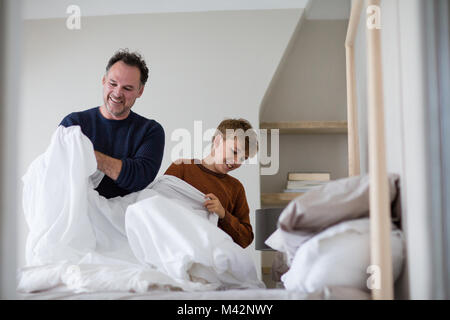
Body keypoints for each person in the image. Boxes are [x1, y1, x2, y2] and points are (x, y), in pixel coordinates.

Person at [60, 49, 165, 198]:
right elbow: (58, 173)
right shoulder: (73, 124)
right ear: (103, 80)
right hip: (79, 215)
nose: (117, 93)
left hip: (126, 218)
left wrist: (87, 154)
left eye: (127, 88)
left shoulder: (150, 131)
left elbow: (139, 178)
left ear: (140, 91)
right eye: (113, 83)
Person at [164, 118, 258, 248]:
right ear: (218, 141)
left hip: (214, 259)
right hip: (176, 247)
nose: (237, 161)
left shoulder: (236, 188)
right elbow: (159, 208)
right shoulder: (182, 168)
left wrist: (223, 215)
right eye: (235, 152)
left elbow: (246, 238)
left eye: (243, 158)